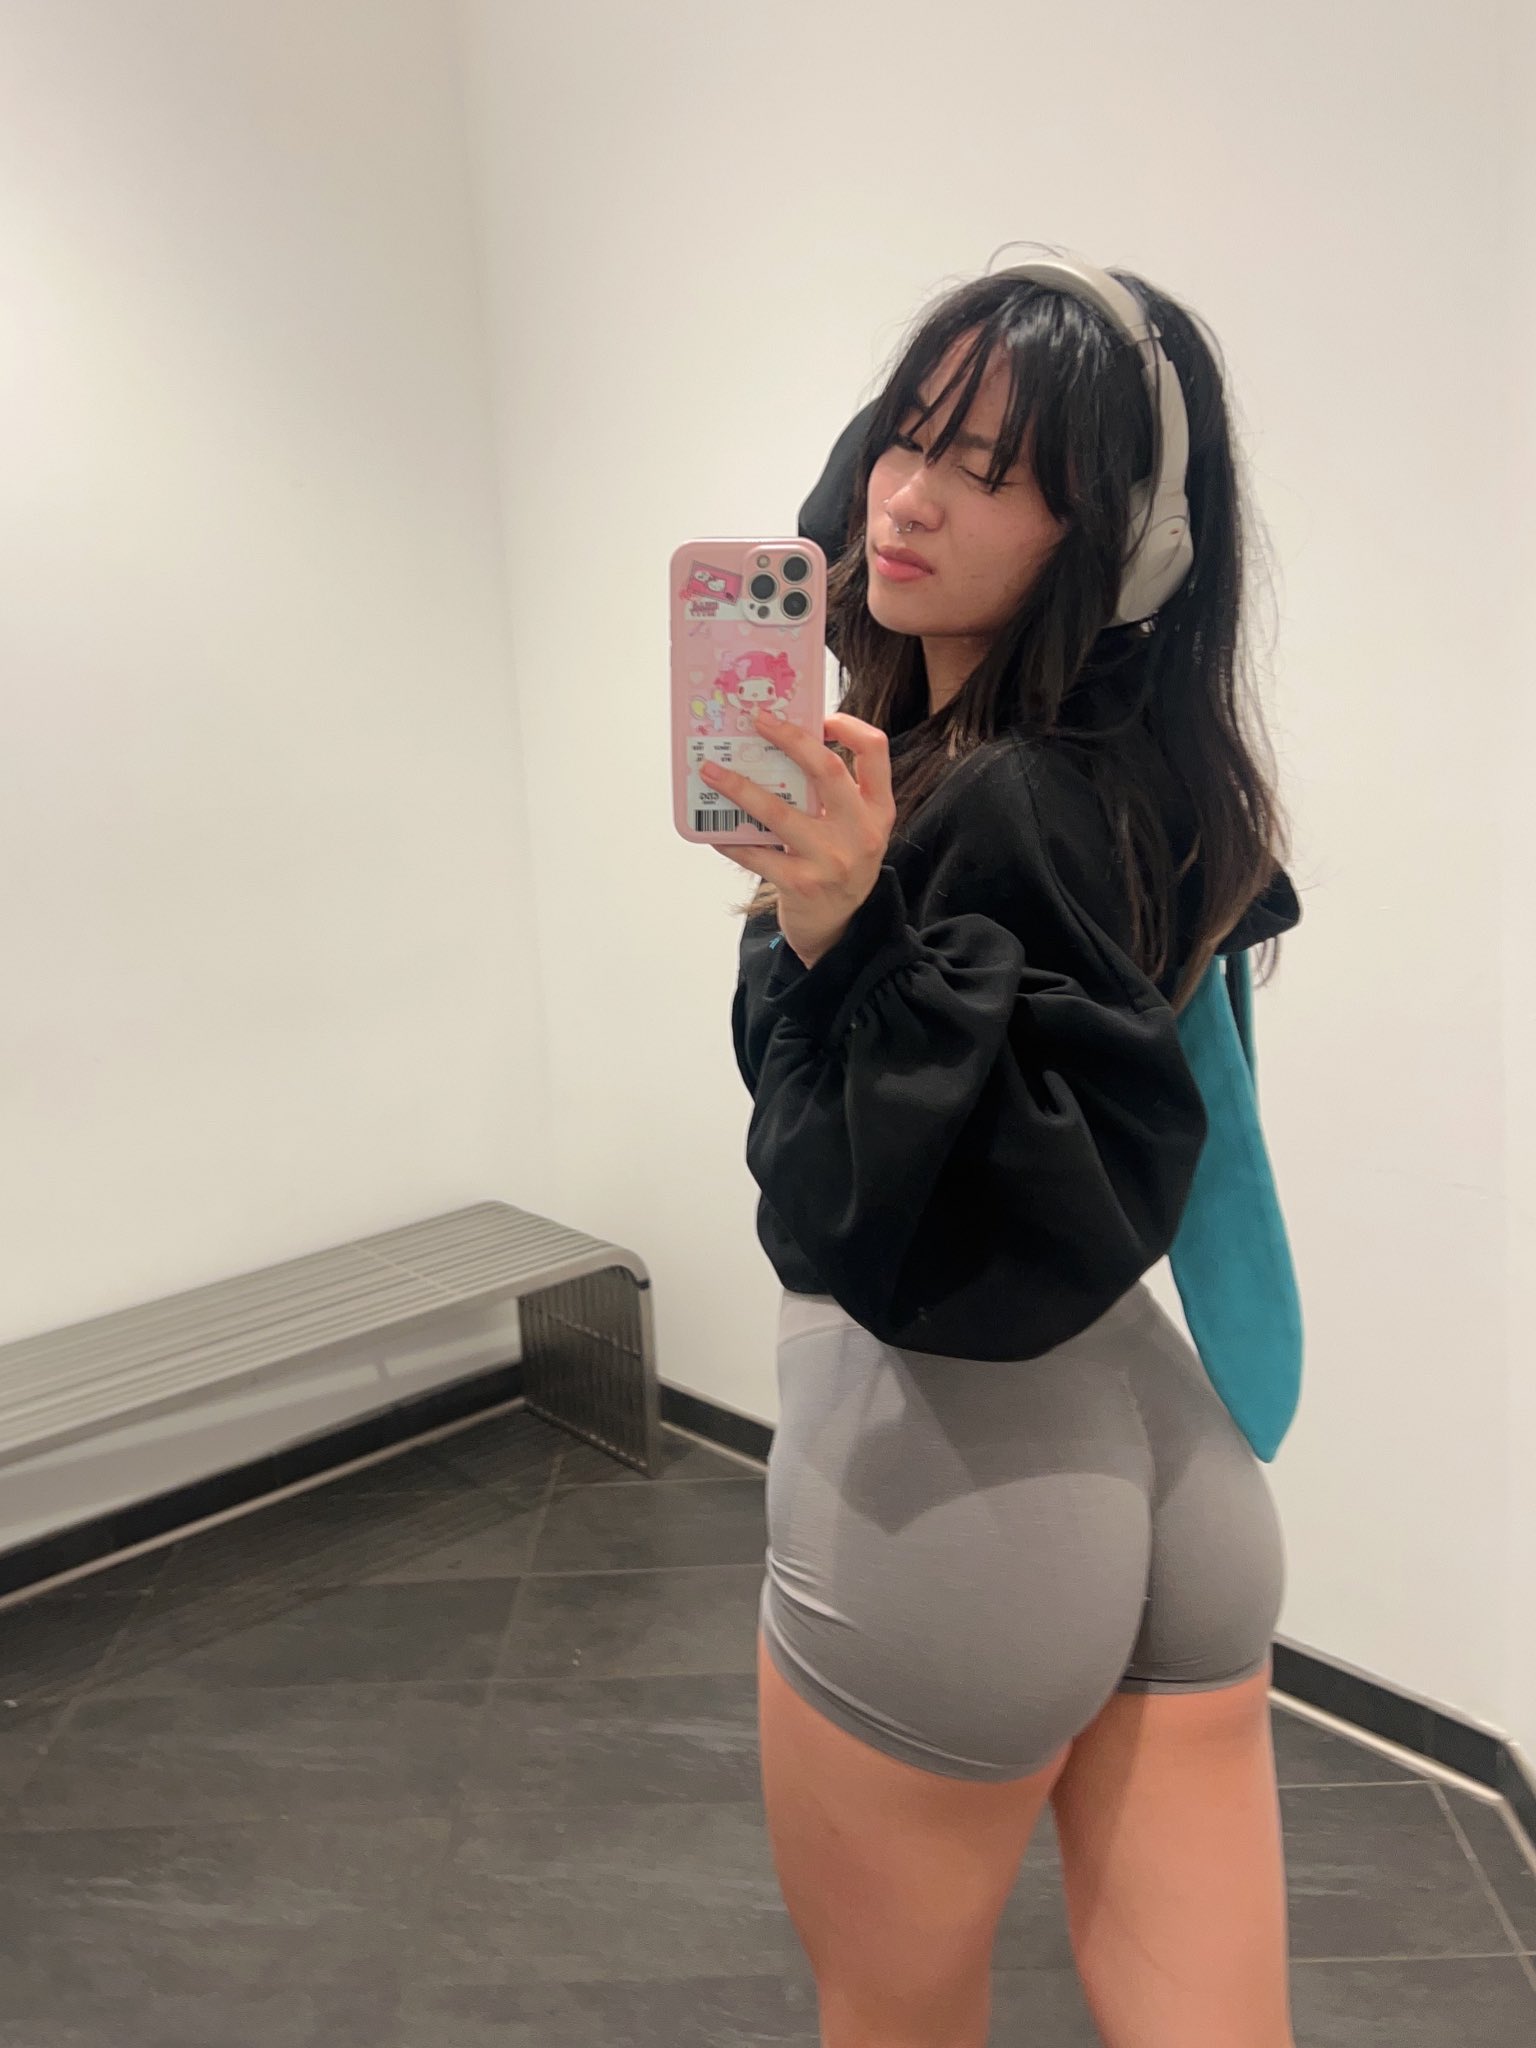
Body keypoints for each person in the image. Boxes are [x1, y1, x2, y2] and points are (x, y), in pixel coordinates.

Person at [710, 251, 1302, 2048]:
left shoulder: (989, 795)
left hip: (955, 1488)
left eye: (988, 472)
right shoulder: (1146, 767)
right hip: (1175, 1463)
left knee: (892, 2012)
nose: (905, 498)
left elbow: (866, 1203)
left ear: (1115, 541)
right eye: (907, 437)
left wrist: (843, 939)